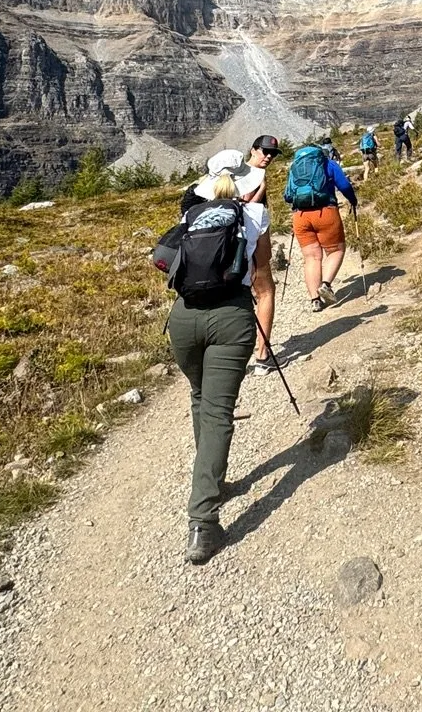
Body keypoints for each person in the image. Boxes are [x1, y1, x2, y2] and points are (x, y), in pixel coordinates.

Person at [163, 136, 280, 566]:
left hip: (183, 319)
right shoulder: (256, 214)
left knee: (199, 397)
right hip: (231, 317)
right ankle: (203, 519)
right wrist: (264, 332)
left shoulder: (192, 211)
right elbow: (262, 277)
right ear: (248, 182)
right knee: (218, 411)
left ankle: (209, 477)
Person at [282, 138, 359, 310]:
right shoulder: (328, 163)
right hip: (326, 212)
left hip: (300, 216)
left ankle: (315, 300)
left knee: (311, 257)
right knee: (335, 250)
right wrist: (353, 201)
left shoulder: (295, 168)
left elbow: (287, 196)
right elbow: (344, 185)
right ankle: (325, 284)